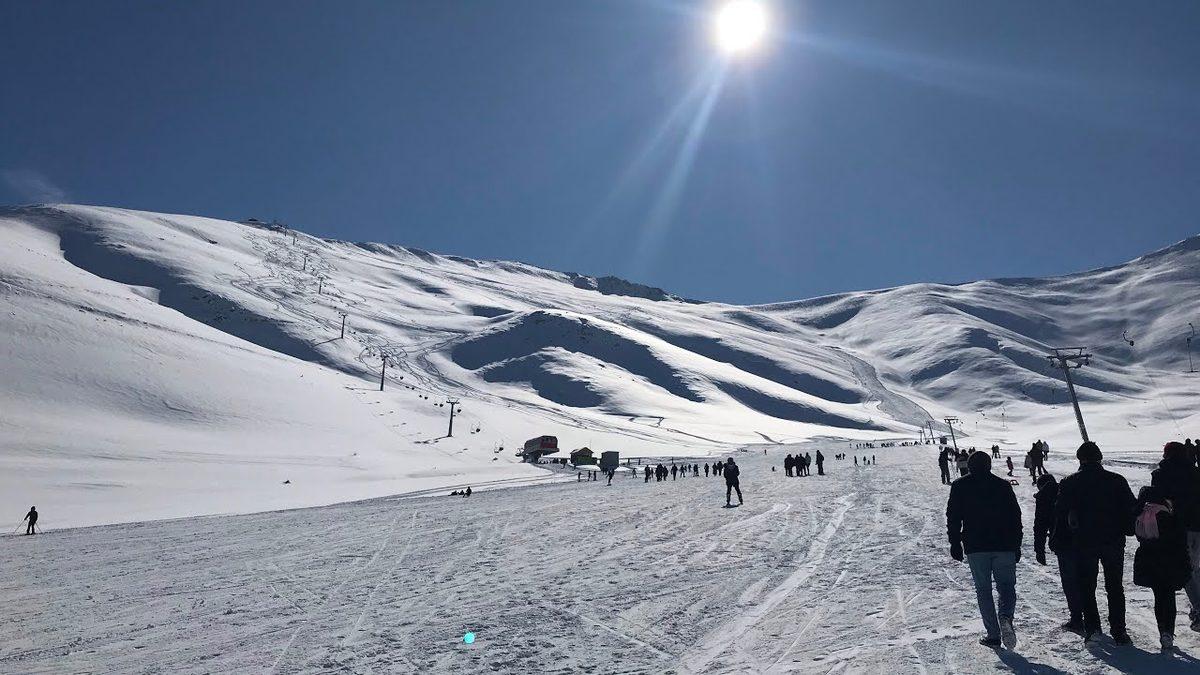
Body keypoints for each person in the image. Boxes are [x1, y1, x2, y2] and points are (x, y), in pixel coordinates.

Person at [1054, 441, 1136, 645]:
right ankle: (1119, 631)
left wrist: (1059, 539)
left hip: (1083, 541)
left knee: (1086, 586)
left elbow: (1060, 513)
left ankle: (1093, 629)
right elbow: (1130, 509)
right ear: (1100, 458)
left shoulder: (1070, 482)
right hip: (1113, 540)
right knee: (1115, 586)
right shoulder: (1117, 480)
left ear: (1080, 459)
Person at [946, 451, 1022, 649]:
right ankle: (1005, 616)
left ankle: (993, 634)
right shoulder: (1002, 485)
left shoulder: (960, 485)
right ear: (989, 465)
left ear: (969, 466)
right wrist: (1017, 544)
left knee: (983, 589)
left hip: (976, 546)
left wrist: (955, 542)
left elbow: (953, 517)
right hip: (1004, 545)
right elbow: (1015, 517)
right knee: (1006, 586)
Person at [1133, 485, 1192, 650]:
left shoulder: (1140, 516)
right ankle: (1168, 632)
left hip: (1149, 562)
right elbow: (1180, 541)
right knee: (1169, 597)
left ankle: (1162, 631)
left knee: (1159, 597)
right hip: (1169, 561)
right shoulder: (1167, 515)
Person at [1150, 441, 1200, 633]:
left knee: (1185, 570)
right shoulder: (1196, 472)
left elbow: (1157, 502)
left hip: (1177, 529)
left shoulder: (1161, 474)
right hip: (1198, 526)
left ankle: (1198, 609)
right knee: (1194, 569)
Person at [1036, 474, 1083, 632]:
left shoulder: (1044, 496)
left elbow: (1040, 524)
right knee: (1085, 580)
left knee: (1069, 582)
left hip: (1063, 543)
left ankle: (1077, 618)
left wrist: (1039, 549)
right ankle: (1090, 617)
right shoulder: (1071, 491)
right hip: (1083, 541)